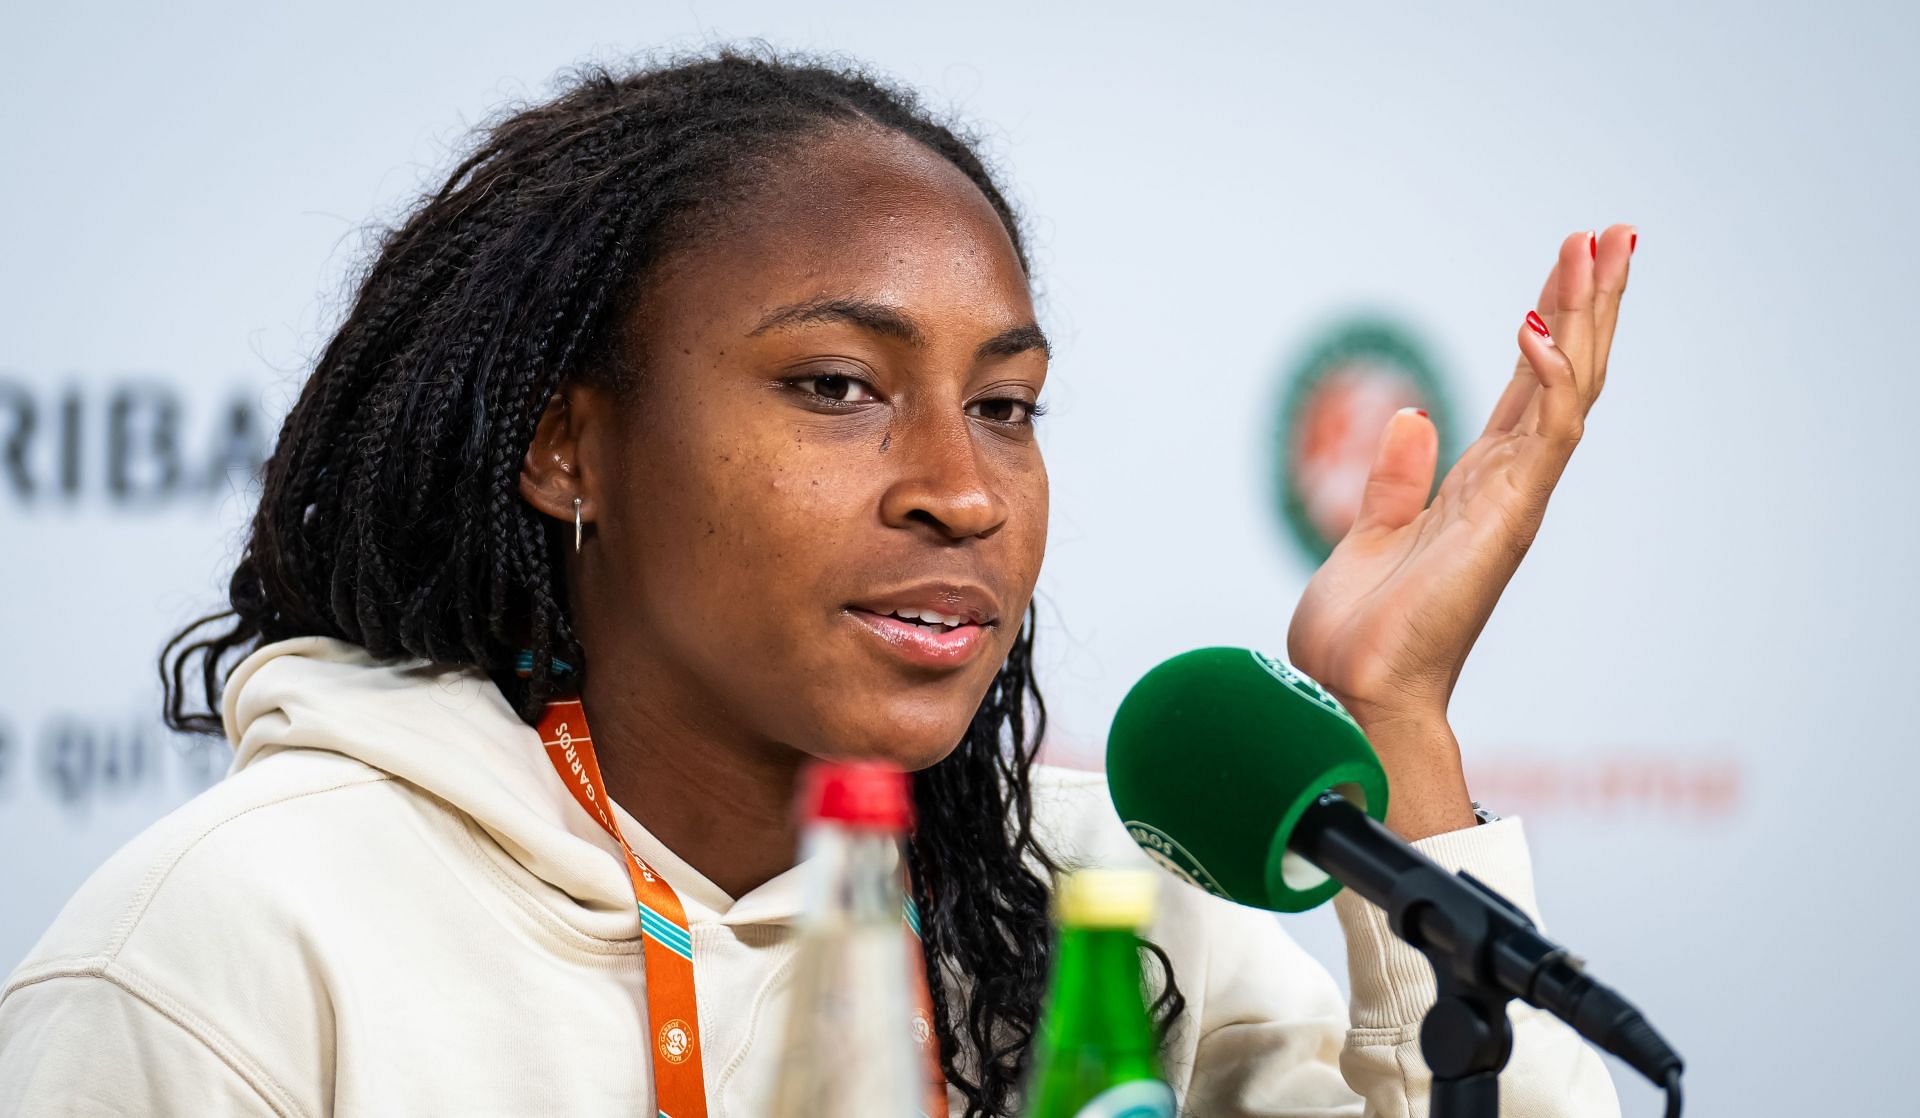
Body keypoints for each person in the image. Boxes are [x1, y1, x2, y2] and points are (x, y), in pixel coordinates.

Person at [0, 51, 1631, 1117]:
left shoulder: (1105, 914)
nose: (962, 487)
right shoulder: (241, 945)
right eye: (838, 386)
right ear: (570, 448)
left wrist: (1395, 715)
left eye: (1004, 404)